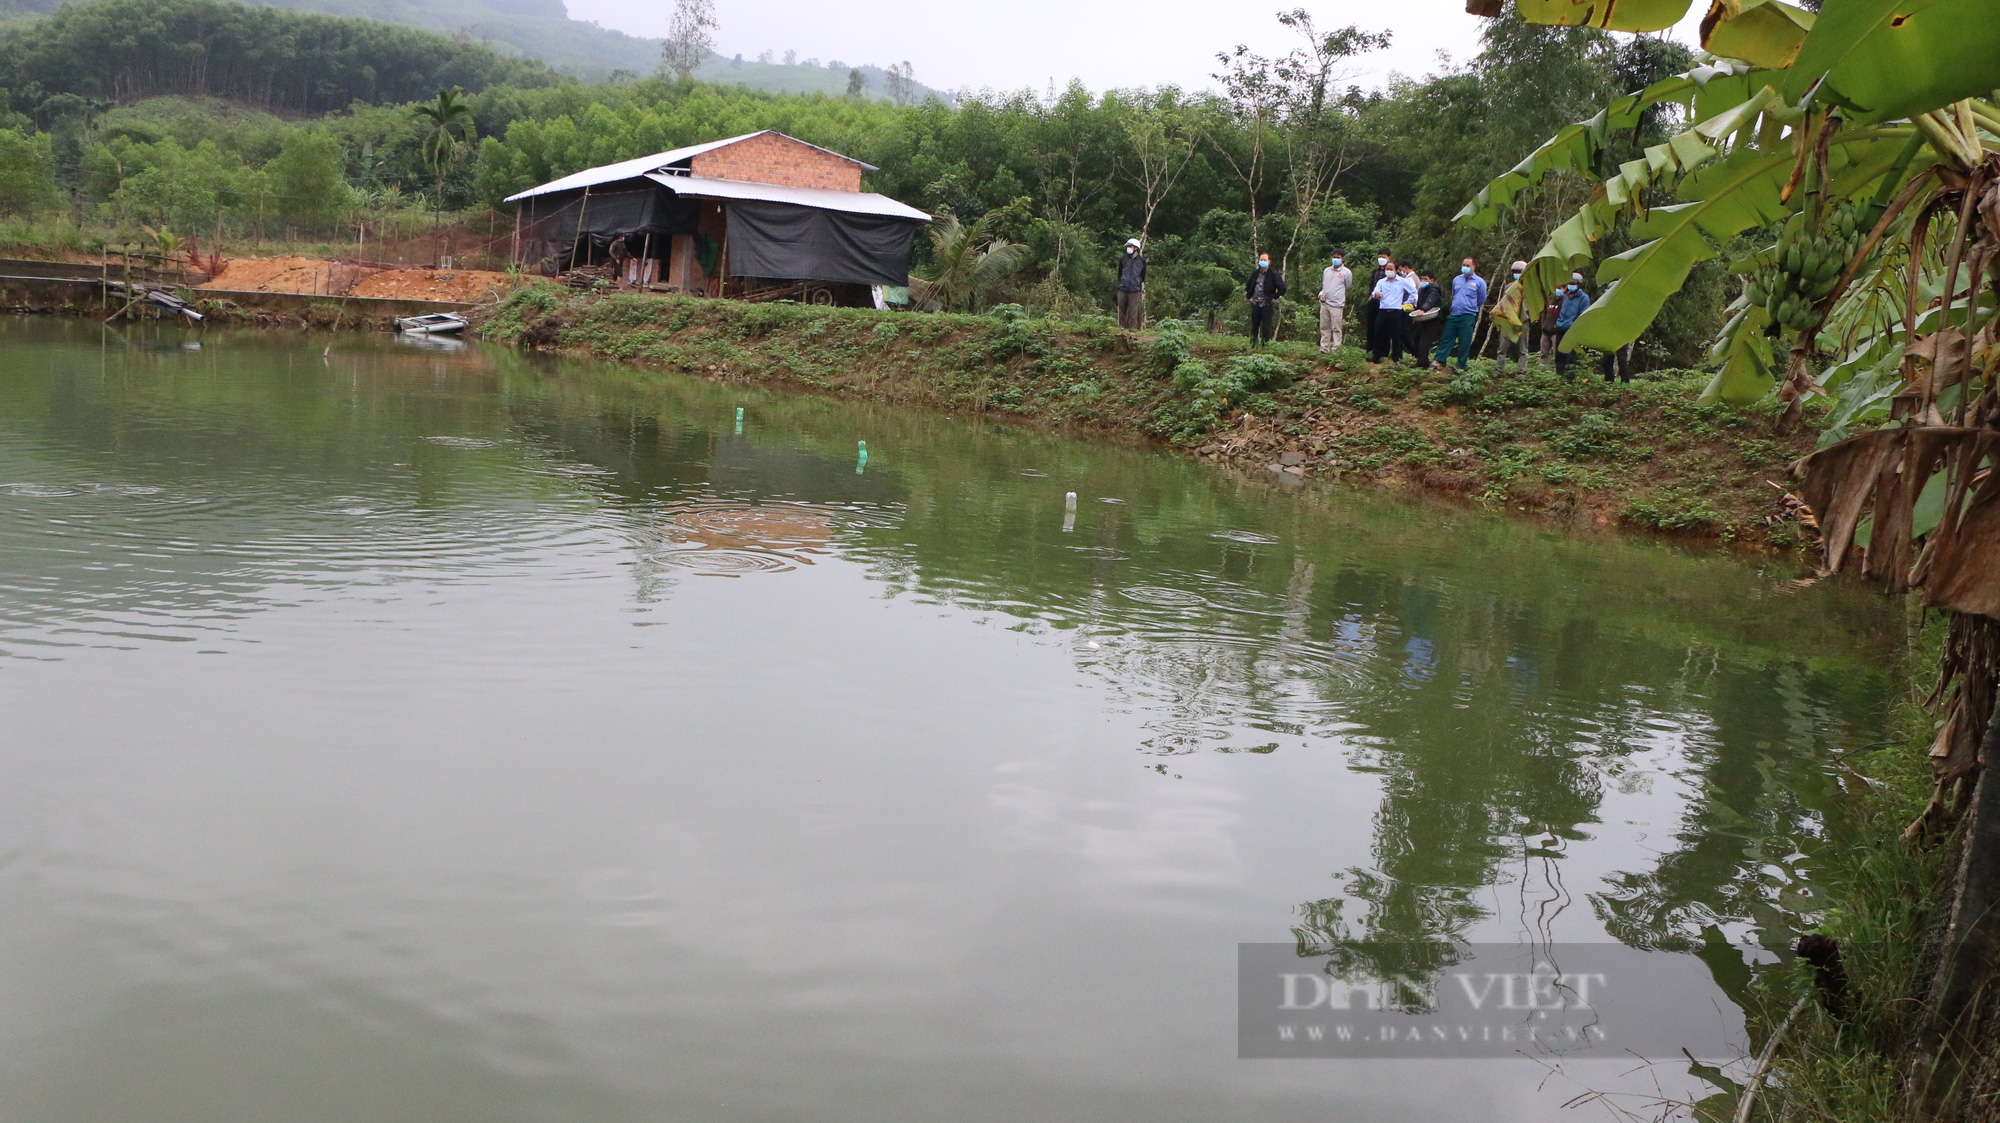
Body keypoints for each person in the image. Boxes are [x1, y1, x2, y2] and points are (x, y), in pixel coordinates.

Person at [1433, 257, 1488, 370]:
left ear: (1474, 267)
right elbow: (1454, 293)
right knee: (1447, 338)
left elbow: (1481, 298)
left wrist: (1471, 307)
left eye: (1468, 265)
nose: (1465, 267)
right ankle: (1439, 360)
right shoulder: (1456, 280)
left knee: (1465, 341)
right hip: (1454, 314)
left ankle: (1460, 364)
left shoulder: (1479, 282)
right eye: (1464, 265)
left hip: (1468, 315)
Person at [1368, 259, 1416, 364]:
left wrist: (1406, 302)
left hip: (1396, 311)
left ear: (1395, 270)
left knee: (1396, 335)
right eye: (1387, 269)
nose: (1388, 270)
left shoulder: (1402, 281)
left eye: (1391, 269)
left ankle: (1396, 358)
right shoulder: (1381, 282)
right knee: (1379, 332)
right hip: (1383, 310)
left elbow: (1413, 291)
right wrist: (1377, 294)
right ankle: (1377, 355)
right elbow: (1374, 292)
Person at [1491, 261, 1529, 373]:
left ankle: (1522, 371)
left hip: (1523, 321)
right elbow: (1503, 304)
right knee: (1502, 347)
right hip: (1508, 320)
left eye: (1519, 272)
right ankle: (1499, 369)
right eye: (1515, 272)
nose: (1517, 274)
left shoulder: (1529, 288)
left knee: (1523, 348)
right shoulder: (1508, 287)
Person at [1552, 272, 1592, 380]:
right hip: (1561, 327)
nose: (1571, 285)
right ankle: (1559, 377)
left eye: (1573, 283)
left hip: (1572, 330)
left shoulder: (1584, 298)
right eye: (1569, 283)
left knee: (1571, 357)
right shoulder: (1565, 296)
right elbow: (1562, 311)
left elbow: (1583, 315)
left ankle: (1570, 379)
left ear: (1579, 285)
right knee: (1559, 355)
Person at [1245, 252, 1286, 344]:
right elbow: (1248, 286)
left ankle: (1265, 344)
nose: (1262, 261)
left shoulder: (1273, 274)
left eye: (1265, 260)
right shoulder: (1255, 273)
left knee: (1266, 325)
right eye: (1261, 260)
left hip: (1267, 303)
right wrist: (1249, 296)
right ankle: (1253, 343)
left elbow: (1282, 288)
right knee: (1255, 324)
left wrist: (1274, 297)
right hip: (1256, 302)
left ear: (1269, 261)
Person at [1317, 251, 1352, 353]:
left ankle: (1336, 349)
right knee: (1324, 327)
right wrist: (1321, 295)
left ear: (1343, 258)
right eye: (1334, 257)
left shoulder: (1346, 272)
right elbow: (1324, 285)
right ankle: (1324, 348)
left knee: (1336, 328)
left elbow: (1348, 285)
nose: (1335, 259)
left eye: (1338, 257)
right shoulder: (1327, 270)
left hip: (1337, 304)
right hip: (1325, 303)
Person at [1410, 269, 1444, 364]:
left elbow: (1430, 301)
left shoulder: (1434, 290)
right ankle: (1422, 360)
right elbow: (1420, 302)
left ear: (1431, 280)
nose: (1423, 281)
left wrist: (1423, 310)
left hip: (1432, 318)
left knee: (1425, 341)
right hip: (1422, 318)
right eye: (1422, 279)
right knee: (1416, 339)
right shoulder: (1422, 290)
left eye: (1425, 279)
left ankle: (1422, 362)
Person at [1361, 248, 1392, 351]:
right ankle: (1370, 348)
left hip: (1385, 303)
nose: (1381, 259)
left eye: (1383, 257)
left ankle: (1383, 351)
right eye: (1379, 257)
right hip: (1374, 300)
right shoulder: (1375, 271)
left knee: (1383, 327)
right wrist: (1371, 295)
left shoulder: (1391, 272)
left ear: (1389, 258)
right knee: (1371, 325)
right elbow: (1372, 284)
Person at [1116, 237, 1147, 331]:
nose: (1128, 248)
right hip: (1123, 288)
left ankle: (1132, 329)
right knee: (1122, 308)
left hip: (1135, 289)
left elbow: (1143, 275)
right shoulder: (1123, 258)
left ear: (1136, 248)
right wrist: (1121, 282)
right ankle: (1121, 327)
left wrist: (1137, 284)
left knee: (1133, 310)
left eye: (1130, 246)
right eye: (1128, 246)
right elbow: (1119, 272)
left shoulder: (1141, 260)